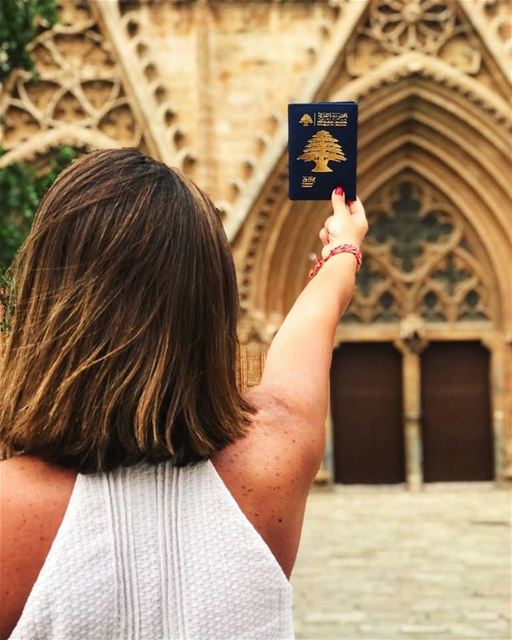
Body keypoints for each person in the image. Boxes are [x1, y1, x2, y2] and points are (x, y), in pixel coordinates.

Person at [0, 148, 368, 639]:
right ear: (213, 307)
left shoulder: (9, 508)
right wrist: (343, 250)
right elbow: (313, 324)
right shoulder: (276, 458)